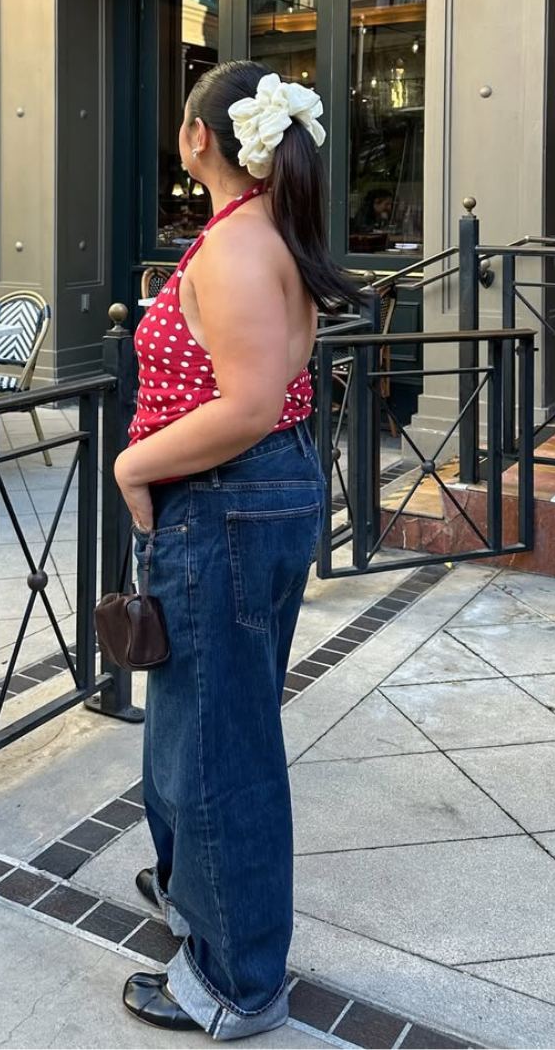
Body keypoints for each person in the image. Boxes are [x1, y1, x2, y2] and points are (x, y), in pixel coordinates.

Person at [113, 61, 359, 1039]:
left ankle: (234, 978)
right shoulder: (264, 234)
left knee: (223, 740)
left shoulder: (237, 247)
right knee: (194, 719)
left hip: (223, 506)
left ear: (196, 139)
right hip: (239, 504)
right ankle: (196, 892)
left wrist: (135, 467)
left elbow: (249, 406)